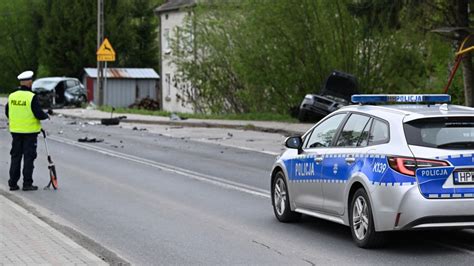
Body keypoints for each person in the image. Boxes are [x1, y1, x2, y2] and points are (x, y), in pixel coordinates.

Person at [5, 70, 49, 191]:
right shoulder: (31, 97)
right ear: (29, 82)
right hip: (29, 133)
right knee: (29, 158)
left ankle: (12, 183)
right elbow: (38, 114)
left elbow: (8, 112)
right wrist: (46, 116)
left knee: (15, 157)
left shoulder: (12, 96)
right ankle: (27, 183)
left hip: (16, 132)